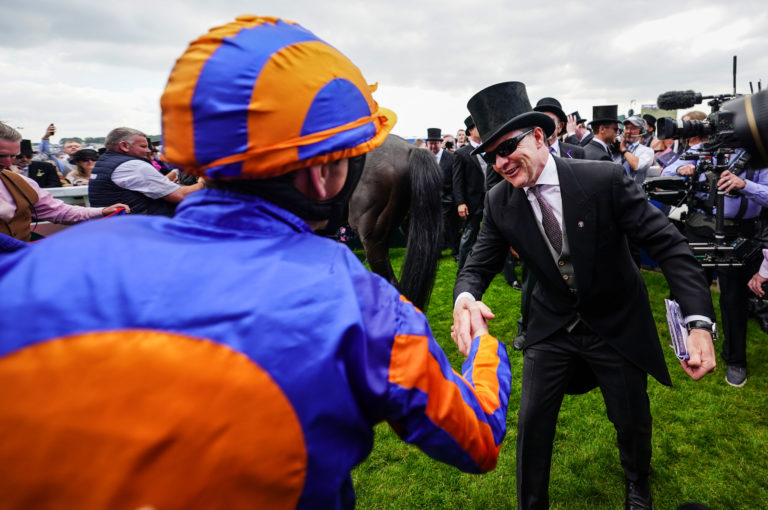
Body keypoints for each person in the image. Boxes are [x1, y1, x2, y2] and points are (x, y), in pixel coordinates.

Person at [0, 16, 511, 508]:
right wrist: (483, 349)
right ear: (324, 174)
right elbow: (477, 437)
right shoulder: (366, 306)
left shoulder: (36, 267)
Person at [452, 81, 717, 510]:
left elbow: (669, 246)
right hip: (552, 325)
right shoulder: (499, 201)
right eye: (492, 155)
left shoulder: (605, 179)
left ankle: (637, 485)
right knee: (532, 421)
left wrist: (699, 322)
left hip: (615, 319)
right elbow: (478, 264)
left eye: (508, 148)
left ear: (539, 135)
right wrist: (465, 297)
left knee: (631, 418)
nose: (501, 162)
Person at [661, 116, 768, 387]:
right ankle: (686, 345)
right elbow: (665, 173)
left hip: (739, 235)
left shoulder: (760, 158)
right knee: (687, 289)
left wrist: (746, 185)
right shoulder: (703, 150)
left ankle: (735, 361)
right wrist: (682, 168)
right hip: (698, 230)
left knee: (734, 299)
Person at [0, 122, 129, 242]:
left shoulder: (22, 182)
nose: (8, 163)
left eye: (13, 156)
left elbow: (59, 211)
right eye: (1, 156)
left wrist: (101, 212)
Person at [89, 127, 204, 216]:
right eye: (143, 146)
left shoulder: (106, 161)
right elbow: (180, 195)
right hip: (143, 224)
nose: (148, 150)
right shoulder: (134, 165)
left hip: (119, 223)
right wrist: (206, 181)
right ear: (124, 146)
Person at [453, 115, 488, 271]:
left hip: (491, 200)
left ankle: (509, 275)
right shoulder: (461, 153)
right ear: (471, 130)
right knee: (469, 237)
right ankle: (462, 270)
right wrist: (460, 203)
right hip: (473, 203)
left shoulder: (490, 148)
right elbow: (457, 181)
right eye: (478, 126)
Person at [426, 128, 459, 259]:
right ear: (427, 144)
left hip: (448, 199)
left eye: (435, 143)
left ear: (441, 143)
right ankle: (437, 251)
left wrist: (453, 198)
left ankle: (456, 251)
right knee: (434, 228)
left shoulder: (451, 157)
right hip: (430, 200)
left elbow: (456, 179)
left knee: (451, 227)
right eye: (431, 143)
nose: (433, 146)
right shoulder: (426, 158)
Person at [619, 116, 655, 186]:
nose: (628, 132)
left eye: (633, 128)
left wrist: (623, 149)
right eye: (626, 128)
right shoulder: (616, 148)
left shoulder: (647, 151)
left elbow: (637, 166)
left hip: (635, 193)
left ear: (641, 131)